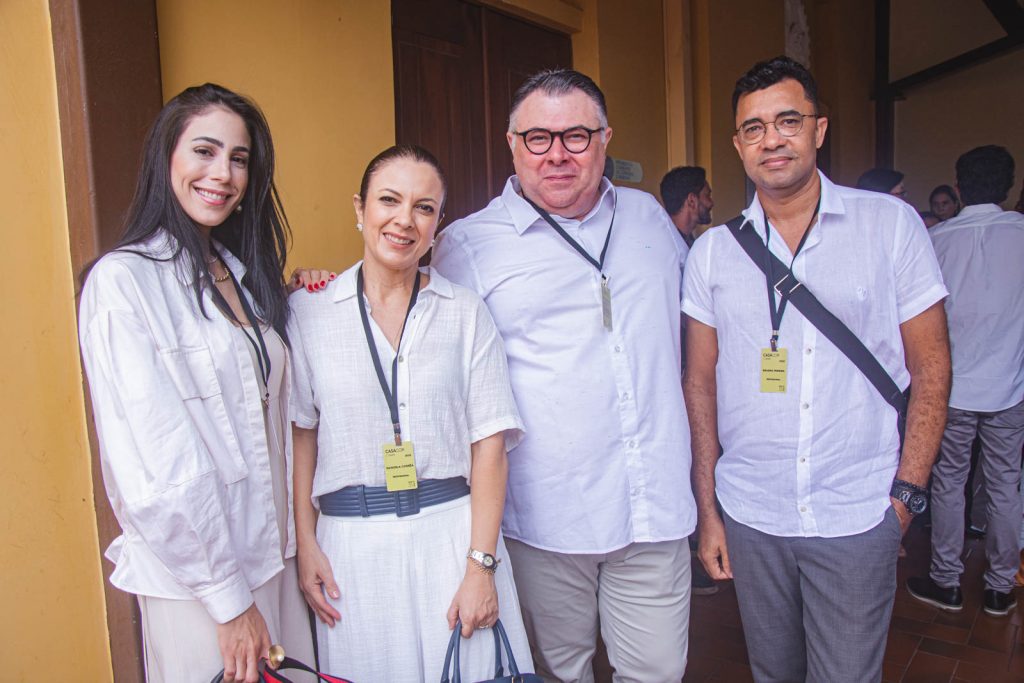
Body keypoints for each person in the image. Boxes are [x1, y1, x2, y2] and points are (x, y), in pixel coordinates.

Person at [683, 56, 950, 682]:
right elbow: (699, 382)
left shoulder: (889, 226)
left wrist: (904, 500)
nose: (771, 139)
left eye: (787, 121)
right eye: (753, 128)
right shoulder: (712, 252)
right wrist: (709, 510)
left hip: (857, 512)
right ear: (738, 144)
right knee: (774, 674)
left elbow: (931, 365)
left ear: (819, 129)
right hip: (752, 514)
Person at [433, 69, 695, 682]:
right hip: (546, 519)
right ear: (512, 144)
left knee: (657, 672)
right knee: (558, 675)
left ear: (605, 139)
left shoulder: (650, 217)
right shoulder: (467, 246)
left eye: (575, 136)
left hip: (651, 508)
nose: (556, 154)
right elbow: (406, 325)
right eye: (537, 138)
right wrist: (318, 288)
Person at [78, 83, 317, 683]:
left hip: (273, 558)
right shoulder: (124, 283)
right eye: (205, 151)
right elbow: (155, 467)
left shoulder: (243, 276)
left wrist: (310, 298)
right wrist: (227, 599)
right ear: (167, 160)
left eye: (239, 159)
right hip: (201, 583)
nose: (223, 174)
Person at [288, 144, 531, 681]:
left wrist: (481, 567)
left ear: (438, 223)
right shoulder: (308, 312)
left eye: (424, 207)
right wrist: (306, 545)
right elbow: (303, 436)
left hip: (451, 539)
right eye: (389, 200)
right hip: (350, 548)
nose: (404, 220)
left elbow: (489, 446)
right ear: (359, 208)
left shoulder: (464, 312)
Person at [908, 145, 1024, 617]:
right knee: (1004, 485)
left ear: (958, 188)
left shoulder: (938, 241)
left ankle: (946, 581)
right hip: (1010, 384)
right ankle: (1000, 587)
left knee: (948, 482)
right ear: (1009, 187)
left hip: (951, 388)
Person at [660, 165, 714, 247]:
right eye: (707, 195)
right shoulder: (666, 247)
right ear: (692, 201)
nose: (711, 203)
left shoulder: (685, 241)